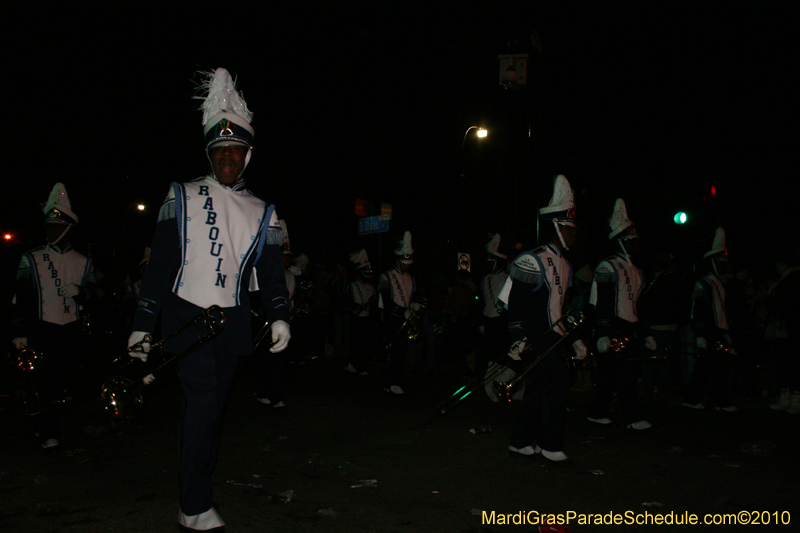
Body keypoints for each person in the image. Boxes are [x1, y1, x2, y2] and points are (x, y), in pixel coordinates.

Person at [127, 68, 291, 531]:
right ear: (209, 152)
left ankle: (195, 483)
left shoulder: (264, 212)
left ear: (247, 155)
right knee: (201, 404)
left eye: (235, 150)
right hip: (184, 319)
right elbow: (160, 267)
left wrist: (280, 317)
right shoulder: (181, 194)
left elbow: (271, 274)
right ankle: (194, 503)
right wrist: (142, 325)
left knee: (212, 411)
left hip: (233, 326)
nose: (227, 158)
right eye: (220, 150)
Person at [499, 175, 587, 464]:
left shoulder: (566, 264)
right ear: (556, 227)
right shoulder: (531, 259)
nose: (575, 234)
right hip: (535, 338)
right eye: (570, 229)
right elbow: (515, 305)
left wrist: (574, 339)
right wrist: (517, 340)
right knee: (558, 385)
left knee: (537, 389)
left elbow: (558, 312)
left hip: (553, 337)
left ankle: (521, 441)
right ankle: (550, 443)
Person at [11, 183, 95, 450]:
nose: (52, 231)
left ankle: (55, 423)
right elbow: (20, 299)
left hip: (70, 328)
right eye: (49, 227)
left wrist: (80, 292)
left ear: (69, 229)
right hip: (42, 327)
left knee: (66, 380)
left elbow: (94, 299)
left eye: (57, 227)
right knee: (44, 381)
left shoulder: (83, 261)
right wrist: (19, 333)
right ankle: (49, 431)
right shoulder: (31, 258)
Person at [586, 199, 655, 430]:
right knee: (624, 375)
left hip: (628, 328)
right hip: (613, 326)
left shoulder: (637, 271)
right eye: (630, 241)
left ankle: (597, 412)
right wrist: (603, 333)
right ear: (620, 242)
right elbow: (602, 304)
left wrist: (645, 333)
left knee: (613, 375)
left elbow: (639, 305)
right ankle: (633, 417)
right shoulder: (607, 266)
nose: (635, 245)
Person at [682, 227, 737, 412]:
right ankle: (712, 400)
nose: (724, 266)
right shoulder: (703, 283)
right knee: (709, 368)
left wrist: (726, 331)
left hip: (717, 331)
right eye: (720, 262)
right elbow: (697, 310)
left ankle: (713, 400)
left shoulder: (720, 284)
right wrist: (700, 334)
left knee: (712, 368)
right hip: (708, 331)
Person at [378, 231, 421, 394]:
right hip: (392, 319)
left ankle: (396, 381)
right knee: (394, 352)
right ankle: (391, 382)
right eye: (404, 263)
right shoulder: (386, 276)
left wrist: (414, 306)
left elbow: (412, 297)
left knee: (402, 353)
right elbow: (387, 301)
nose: (407, 265)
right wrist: (403, 311)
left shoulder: (411, 278)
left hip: (406, 318)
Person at [766, 248, 800, 414]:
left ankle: (793, 398)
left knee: (790, 362)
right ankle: (788, 397)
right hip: (788, 327)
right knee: (786, 362)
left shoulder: (790, 280)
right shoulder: (787, 280)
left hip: (790, 327)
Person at [344, 249, 376, 375]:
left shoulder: (370, 287)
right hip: (356, 318)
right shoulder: (352, 285)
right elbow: (347, 301)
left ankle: (362, 366)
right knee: (356, 343)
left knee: (364, 343)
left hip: (366, 318)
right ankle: (352, 363)